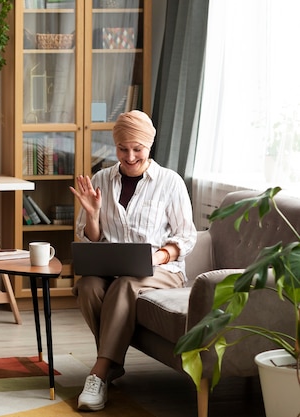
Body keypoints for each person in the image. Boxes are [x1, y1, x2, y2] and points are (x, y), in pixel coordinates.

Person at [69, 110, 197, 411]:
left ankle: (100, 372)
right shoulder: (101, 179)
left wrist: (160, 255)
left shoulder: (170, 182)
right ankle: (112, 363)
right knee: (87, 286)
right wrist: (92, 215)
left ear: (149, 146)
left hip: (162, 269)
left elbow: (187, 236)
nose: (129, 156)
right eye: (122, 148)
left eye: (137, 149)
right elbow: (90, 239)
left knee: (125, 284)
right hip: (111, 268)